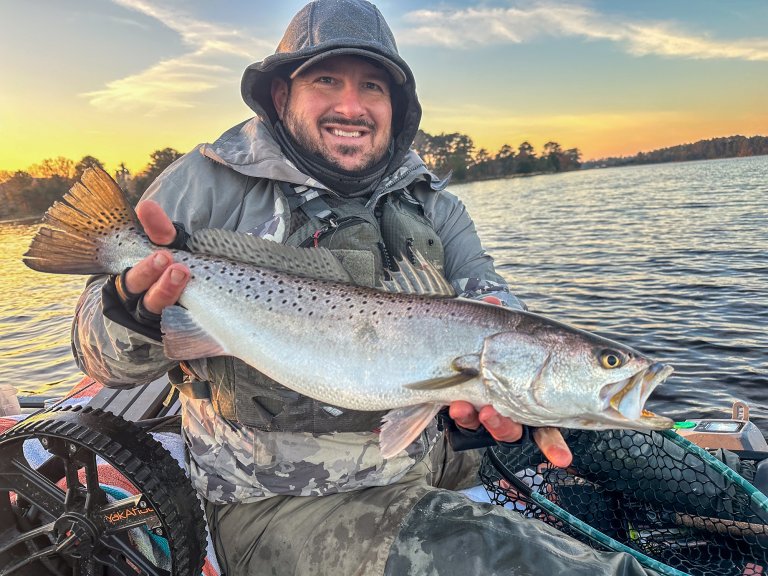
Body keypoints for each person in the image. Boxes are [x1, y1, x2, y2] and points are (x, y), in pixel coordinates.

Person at [72, 1, 659, 574]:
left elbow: (496, 306)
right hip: (281, 505)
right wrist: (132, 311)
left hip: (428, 463)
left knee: (630, 444)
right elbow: (92, 349)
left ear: (396, 105)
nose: (352, 105)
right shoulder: (204, 184)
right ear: (282, 94)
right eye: (327, 79)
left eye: (373, 86)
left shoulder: (434, 204)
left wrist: (482, 411)